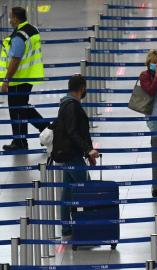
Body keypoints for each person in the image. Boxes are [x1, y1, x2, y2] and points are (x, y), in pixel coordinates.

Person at [51, 74, 99, 237]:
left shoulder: (66, 103)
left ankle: (66, 227)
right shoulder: (72, 106)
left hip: (66, 153)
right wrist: (88, 150)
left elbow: (79, 131)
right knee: (87, 188)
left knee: (68, 191)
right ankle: (91, 224)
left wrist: (88, 151)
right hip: (72, 154)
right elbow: (73, 132)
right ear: (82, 88)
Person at [0, 7, 49, 151]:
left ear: (16, 18)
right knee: (22, 107)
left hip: (19, 78)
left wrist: (6, 81)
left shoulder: (19, 36)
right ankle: (26, 138)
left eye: (11, 17)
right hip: (29, 75)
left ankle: (45, 131)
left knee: (17, 109)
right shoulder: (32, 30)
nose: (9, 20)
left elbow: (15, 60)